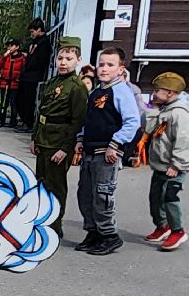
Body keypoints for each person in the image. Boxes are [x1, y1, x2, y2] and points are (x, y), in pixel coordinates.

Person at [74, 47, 141, 255]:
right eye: (101, 64)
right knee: (85, 194)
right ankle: (92, 231)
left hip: (107, 152)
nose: (104, 69)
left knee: (102, 194)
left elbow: (132, 122)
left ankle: (109, 235)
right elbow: (89, 119)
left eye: (110, 65)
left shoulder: (122, 92)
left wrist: (116, 144)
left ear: (120, 69)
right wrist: (80, 138)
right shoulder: (97, 91)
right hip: (90, 150)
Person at [29, 37, 85, 237]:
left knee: (56, 186)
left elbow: (77, 121)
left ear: (78, 60)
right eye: (60, 58)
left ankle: (54, 226)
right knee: (41, 183)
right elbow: (42, 112)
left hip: (58, 143)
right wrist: (35, 137)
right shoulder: (53, 83)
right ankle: (41, 219)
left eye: (69, 59)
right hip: (44, 139)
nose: (63, 63)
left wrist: (65, 149)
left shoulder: (77, 87)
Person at [141, 72, 189, 252]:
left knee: (169, 198)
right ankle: (162, 226)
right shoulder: (162, 110)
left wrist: (177, 165)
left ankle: (178, 230)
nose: (154, 94)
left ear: (170, 93)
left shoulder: (179, 114)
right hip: (160, 165)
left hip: (174, 167)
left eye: (157, 91)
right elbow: (148, 128)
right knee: (155, 199)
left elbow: (184, 141)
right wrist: (153, 109)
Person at [15, 18, 53, 132]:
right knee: (19, 98)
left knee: (28, 100)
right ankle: (24, 120)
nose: (31, 34)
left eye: (33, 31)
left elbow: (40, 60)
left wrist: (30, 65)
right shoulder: (34, 42)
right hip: (26, 75)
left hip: (33, 76)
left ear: (39, 29)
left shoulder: (44, 43)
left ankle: (28, 122)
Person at [0, 39, 25, 127]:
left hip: (15, 83)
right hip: (4, 82)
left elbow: (23, 69)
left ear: (17, 47)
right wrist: (3, 57)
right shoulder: (6, 57)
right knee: (3, 102)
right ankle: (2, 120)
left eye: (11, 46)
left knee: (13, 102)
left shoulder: (22, 57)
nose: (9, 48)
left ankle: (13, 121)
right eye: (8, 46)